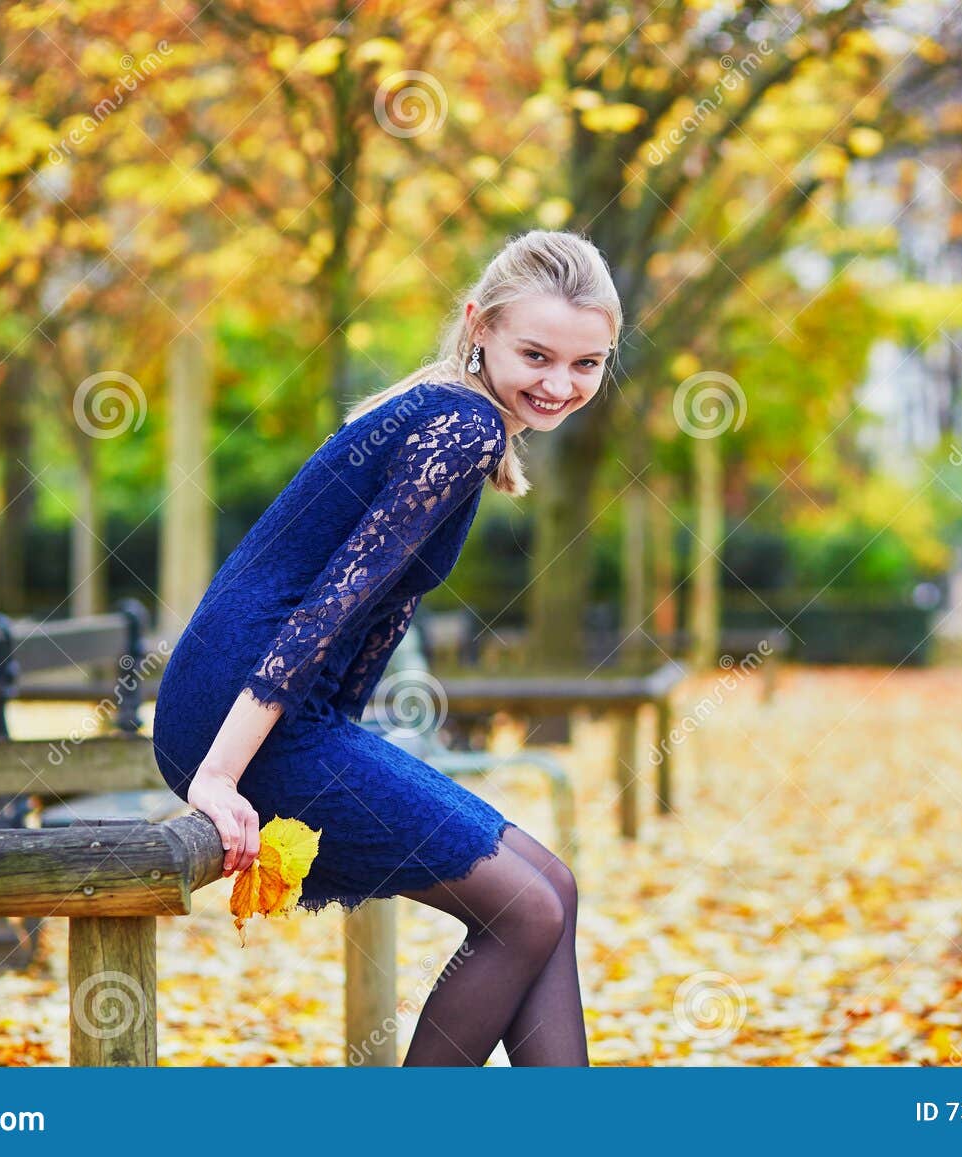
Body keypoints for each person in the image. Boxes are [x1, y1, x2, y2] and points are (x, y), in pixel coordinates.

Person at [152, 228, 621, 1067]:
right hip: (249, 716)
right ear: (479, 325)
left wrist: (347, 737)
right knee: (526, 910)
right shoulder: (463, 426)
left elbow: (381, 610)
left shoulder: (453, 410)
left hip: (272, 709)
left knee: (553, 889)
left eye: (587, 364)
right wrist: (217, 776)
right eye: (538, 354)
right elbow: (328, 614)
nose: (560, 383)